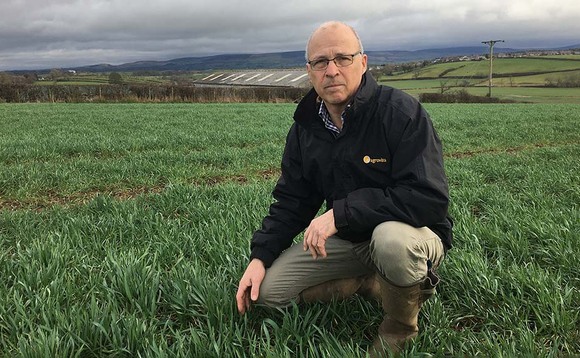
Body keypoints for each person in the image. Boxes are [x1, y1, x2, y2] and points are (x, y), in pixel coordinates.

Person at [236, 21, 453, 354]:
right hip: (351, 241)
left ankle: (400, 328)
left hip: (411, 235)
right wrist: (260, 257)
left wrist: (341, 213)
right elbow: (293, 200)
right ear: (309, 71)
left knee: (391, 242)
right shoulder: (306, 127)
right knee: (269, 294)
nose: (332, 70)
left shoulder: (400, 113)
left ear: (363, 63)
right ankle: (370, 282)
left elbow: (428, 199)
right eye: (321, 62)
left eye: (343, 58)